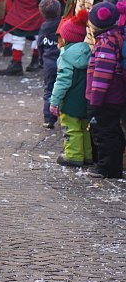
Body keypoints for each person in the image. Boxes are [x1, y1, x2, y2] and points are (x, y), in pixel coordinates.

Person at [84, 1, 124, 180]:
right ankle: (111, 165)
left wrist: (95, 101)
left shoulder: (105, 43)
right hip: (115, 97)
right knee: (113, 130)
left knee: (104, 132)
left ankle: (107, 167)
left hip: (106, 99)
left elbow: (102, 75)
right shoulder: (117, 36)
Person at [49, 11, 93, 167]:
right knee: (85, 128)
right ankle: (87, 155)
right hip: (86, 99)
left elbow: (62, 81)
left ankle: (73, 156)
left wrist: (54, 101)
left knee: (71, 128)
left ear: (67, 37)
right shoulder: (88, 52)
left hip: (70, 101)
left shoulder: (66, 56)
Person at [35, 0, 63, 130]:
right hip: (63, 62)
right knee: (64, 88)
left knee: (49, 91)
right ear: (59, 11)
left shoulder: (44, 27)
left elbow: (40, 44)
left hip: (49, 64)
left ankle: (49, 119)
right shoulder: (63, 25)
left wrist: (41, 59)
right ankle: (64, 117)